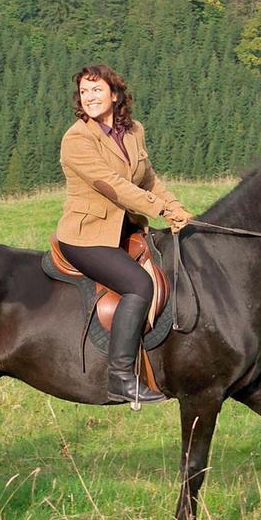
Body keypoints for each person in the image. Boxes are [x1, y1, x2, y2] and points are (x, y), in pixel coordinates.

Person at [55, 64, 194, 408]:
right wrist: (160, 210)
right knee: (139, 285)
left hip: (127, 230)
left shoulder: (133, 131)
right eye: (85, 92)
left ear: (114, 95)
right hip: (86, 237)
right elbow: (114, 187)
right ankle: (121, 379)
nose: (90, 97)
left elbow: (147, 178)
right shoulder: (77, 139)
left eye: (97, 90)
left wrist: (176, 206)